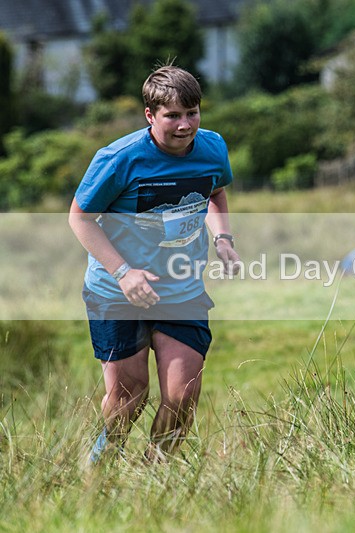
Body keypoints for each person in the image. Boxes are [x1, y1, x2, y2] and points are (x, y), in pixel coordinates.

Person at [69, 64, 241, 464]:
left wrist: (224, 239)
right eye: (173, 116)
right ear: (150, 115)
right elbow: (79, 218)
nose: (186, 125)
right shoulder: (119, 158)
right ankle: (100, 470)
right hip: (116, 291)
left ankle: (153, 478)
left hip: (180, 288)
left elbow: (214, 191)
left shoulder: (213, 147)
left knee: (182, 399)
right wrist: (123, 272)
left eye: (193, 112)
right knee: (129, 398)